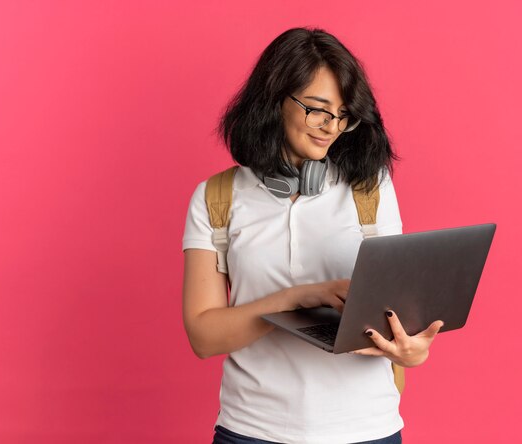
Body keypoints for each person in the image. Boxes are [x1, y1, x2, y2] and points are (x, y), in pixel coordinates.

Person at [182, 27, 444, 444]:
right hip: (252, 430)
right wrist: (294, 298)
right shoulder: (216, 198)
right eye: (317, 109)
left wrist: (413, 351)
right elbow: (203, 336)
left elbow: (397, 318)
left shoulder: (370, 189)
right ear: (274, 99)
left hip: (367, 430)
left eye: (342, 115)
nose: (331, 127)